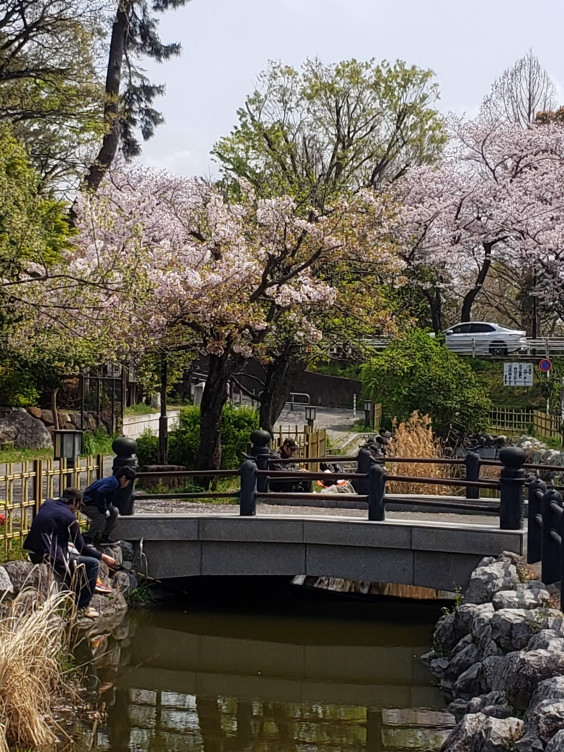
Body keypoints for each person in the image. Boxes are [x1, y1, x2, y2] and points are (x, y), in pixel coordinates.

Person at [23, 488, 117, 619]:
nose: (77, 509)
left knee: (73, 553)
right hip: (49, 556)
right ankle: (82, 607)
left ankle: (76, 598)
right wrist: (103, 557)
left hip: (32, 550)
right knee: (92, 564)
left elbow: (48, 529)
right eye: (78, 505)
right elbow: (82, 548)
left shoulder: (47, 504)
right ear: (75, 502)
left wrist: (65, 543)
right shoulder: (70, 518)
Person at [83, 467, 137, 547]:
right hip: (87, 503)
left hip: (94, 502)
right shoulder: (113, 483)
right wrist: (104, 510)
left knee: (114, 511)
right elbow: (100, 493)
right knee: (100, 517)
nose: (127, 484)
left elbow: (107, 498)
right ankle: (87, 538)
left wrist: (107, 508)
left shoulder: (113, 481)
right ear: (123, 478)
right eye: (128, 482)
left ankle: (104, 536)